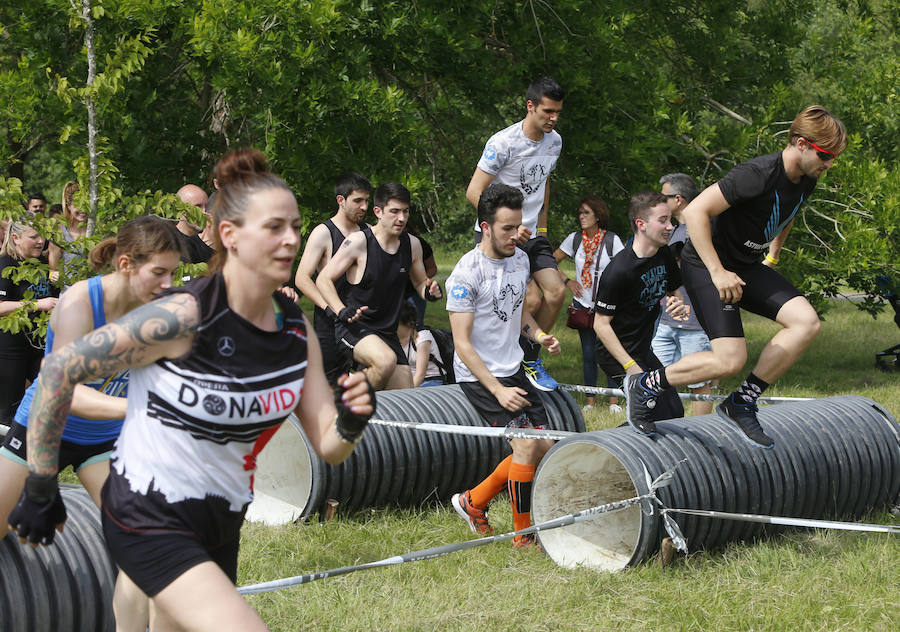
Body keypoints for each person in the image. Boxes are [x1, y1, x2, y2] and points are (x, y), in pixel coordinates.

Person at [7, 148, 375, 632]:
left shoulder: (295, 335)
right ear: (230, 235)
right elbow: (58, 374)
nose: (291, 239)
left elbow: (328, 447)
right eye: (273, 227)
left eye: (295, 226)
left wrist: (350, 421)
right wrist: (40, 482)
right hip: (147, 513)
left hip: (219, 525)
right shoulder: (181, 315)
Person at [624, 106, 847, 449]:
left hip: (745, 265)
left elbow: (786, 215)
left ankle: (742, 402)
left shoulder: (807, 178)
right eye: (826, 155)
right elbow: (696, 211)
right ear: (802, 143)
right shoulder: (758, 173)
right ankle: (647, 385)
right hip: (706, 263)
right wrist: (717, 272)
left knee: (806, 323)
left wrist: (772, 256)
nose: (829, 164)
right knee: (730, 360)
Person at [447, 184, 561, 549]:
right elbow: (462, 344)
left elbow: (519, 313)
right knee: (526, 447)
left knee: (543, 446)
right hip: (481, 376)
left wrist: (540, 335)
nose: (517, 235)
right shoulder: (466, 274)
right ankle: (523, 536)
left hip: (513, 367)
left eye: (519, 226)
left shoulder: (521, 259)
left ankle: (473, 501)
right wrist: (497, 389)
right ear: (485, 226)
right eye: (507, 229)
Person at [465, 76, 566, 392]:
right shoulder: (502, 144)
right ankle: (491, 361)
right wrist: (505, 226)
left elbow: (545, 182)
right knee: (527, 299)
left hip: (534, 234)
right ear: (530, 105)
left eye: (558, 112)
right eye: (547, 111)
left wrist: (543, 227)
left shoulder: (555, 141)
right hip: (501, 234)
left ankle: (530, 357)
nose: (553, 118)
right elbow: (474, 191)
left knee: (556, 292)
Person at [317, 182, 442, 390]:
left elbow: (420, 282)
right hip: (355, 328)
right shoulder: (358, 242)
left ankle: (367, 412)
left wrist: (429, 292)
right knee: (385, 361)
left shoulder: (412, 245)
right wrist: (341, 310)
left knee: (405, 399)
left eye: (405, 211)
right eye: (394, 211)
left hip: (387, 333)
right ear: (378, 212)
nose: (401, 218)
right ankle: (346, 406)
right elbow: (323, 279)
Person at [592, 192, 686, 435]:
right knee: (656, 411)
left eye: (670, 220)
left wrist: (677, 303)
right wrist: (630, 366)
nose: (670, 226)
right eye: (663, 220)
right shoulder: (619, 271)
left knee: (674, 409)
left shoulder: (663, 254)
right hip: (617, 354)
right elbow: (600, 324)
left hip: (642, 348)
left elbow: (674, 289)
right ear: (641, 225)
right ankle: (605, 448)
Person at [294, 172, 371, 385]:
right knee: (328, 388)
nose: (364, 207)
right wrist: (331, 309)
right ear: (341, 200)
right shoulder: (323, 232)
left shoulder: (368, 233)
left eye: (367, 201)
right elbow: (302, 278)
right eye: (358, 201)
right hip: (329, 325)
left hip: (363, 322)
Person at [553, 196, 625, 413]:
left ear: (598, 215)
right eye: (580, 212)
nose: (581, 217)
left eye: (586, 213)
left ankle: (614, 401)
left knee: (611, 353)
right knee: (588, 354)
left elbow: (624, 269)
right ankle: (590, 401)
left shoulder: (612, 240)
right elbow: (550, 260)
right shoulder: (575, 239)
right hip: (583, 305)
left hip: (608, 306)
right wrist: (567, 281)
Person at [651, 173, 714, 416]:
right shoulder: (674, 231)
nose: (658, 201)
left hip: (696, 322)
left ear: (677, 199)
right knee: (655, 379)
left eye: (662, 197)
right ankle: (660, 429)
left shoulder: (704, 228)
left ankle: (700, 440)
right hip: (667, 321)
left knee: (699, 384)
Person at [0, 220, 59, 427]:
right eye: (34, 236)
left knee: (47, 401)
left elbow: (51, 299)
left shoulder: (41, 265)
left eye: (43, 236)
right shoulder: (6, 264)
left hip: (40, 345)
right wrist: (36, 304)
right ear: (16, 238)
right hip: (11, 348)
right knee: (7, 411)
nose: (41, 241)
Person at [48, 181, 88, 286]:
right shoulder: (60, 232)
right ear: (68, 205)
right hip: (71, 295)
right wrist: (54, 276)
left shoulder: (100, 229)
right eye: (78, 204)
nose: (83, 209)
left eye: (86, 204)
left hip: (97, 295)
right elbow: (52, 270)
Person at [396, 302, 444, 387]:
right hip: (408, 380)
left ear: (407, 324)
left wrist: (404, 394)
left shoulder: (422, 337)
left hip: (430, 380)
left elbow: (420, 374)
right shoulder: (394, 339)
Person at [175, 184, 215, 265]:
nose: (204, 212)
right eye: (197, 207)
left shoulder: (210, 242)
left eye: (206, 206)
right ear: (180, 209)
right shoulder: (170, 240)